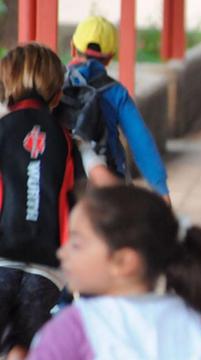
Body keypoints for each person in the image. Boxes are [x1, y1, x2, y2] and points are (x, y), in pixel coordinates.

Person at [28, 186, 201, 359]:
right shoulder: (198, 329)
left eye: (76, 243)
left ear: (123, 261)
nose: (62, 252)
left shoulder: (74, 328)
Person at [0, 43, 83, 360]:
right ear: (57, 95)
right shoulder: (67, 139)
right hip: (48, 269)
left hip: (2, 258)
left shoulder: (2, 130)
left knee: (10, 344)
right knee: (22, 346)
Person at [68, 16, 170, 203]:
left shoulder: (57, 86)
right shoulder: (116, 93)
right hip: (110, 184)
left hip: (67, 183)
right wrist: (161, 190)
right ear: (110, 58)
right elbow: (141, 140)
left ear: (72, 47)